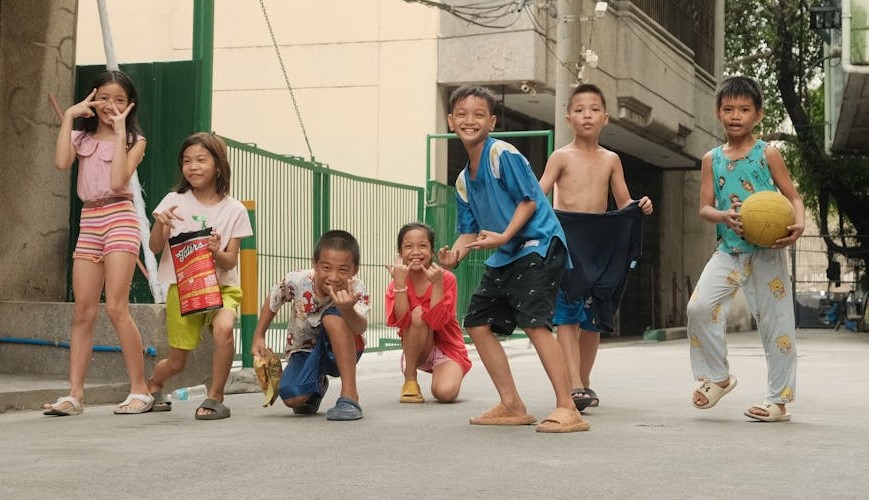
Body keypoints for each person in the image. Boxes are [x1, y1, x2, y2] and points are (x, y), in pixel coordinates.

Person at [437, 85, 589, 433]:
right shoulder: (463, 181)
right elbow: (470, 231)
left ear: (491, 121)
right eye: (462, 114)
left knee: (535, 324)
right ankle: (511, 404)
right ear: (450, 121)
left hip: (539, 245)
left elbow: (529, 200)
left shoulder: (501, 155)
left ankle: (568, 407)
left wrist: (505, 235)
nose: (469, 121)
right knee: (476, 322)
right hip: (507, 255)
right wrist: (453, 256)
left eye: (478, 115)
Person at [687, 76, 805, 422]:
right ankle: (719, 378)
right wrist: (723, 215)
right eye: (728, 109)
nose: (736, 115)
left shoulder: (767, 153)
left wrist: (798, 226)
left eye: (744, 109)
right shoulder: (711, 159)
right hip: (730, 248)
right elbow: (705, 207)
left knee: (776, 325)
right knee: (699, 307)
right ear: (718, 114)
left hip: (767, 251)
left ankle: (778, 402)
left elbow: (793, 197)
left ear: (758, 115)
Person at [539, 83, 654, 411]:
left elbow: (622, 202)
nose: (586, 115)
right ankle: (573, 383)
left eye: (593, 109)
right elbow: (539, 194)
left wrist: (640, 205)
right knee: (567, 316)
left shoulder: (611, 159)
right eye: (578, 110)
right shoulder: (560, 156)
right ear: (568, 117)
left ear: (605, 118)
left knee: (593, 318)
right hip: (567, 240)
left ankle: (583, 382)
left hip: (599, 244)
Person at [45, 70, 153, 416]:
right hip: (89, 220)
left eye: (119, 100)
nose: (110, 105)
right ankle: (74, 395)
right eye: (104, 97)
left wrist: (121, 130)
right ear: (93, 98)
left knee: (117, 307)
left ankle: (141, 389)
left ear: (130, 105)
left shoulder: (135, 140)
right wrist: (69, 118)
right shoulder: (80, 137)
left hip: (120, 217)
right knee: (82, 311)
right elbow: (62, 163)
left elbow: (119, 178)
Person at [146, 133, 253, 420]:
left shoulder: (236, 210)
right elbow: (156, 247)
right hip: (183, 290)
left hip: (222, 288)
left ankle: (216, 396)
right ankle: (154, 385)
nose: (192, 167)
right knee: (177, 362)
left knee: (224, 329)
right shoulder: (173, 201)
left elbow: (230, 262)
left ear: (218, 166)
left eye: (201, 160)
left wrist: (217, 252)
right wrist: (160, 224)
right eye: (186, 161)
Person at [251, 230, 370, 421]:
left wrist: (347, 310)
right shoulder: (297, 281)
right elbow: (274, 299)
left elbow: (360, 328)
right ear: (315, 265)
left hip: (343, 349)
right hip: (304, 349)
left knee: (333, 317)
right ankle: (316, 386)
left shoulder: (355, 289)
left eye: (342, 270)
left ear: (354, 270)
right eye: (326, 267)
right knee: (293, 397)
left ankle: (349, 396)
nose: (333, 276)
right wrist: (259, 335)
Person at [385, 222, 472, 404]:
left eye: (422, 246)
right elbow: (401, 321)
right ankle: (410, 379)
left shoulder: (446, 278)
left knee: (445, 394)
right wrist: (400, 286)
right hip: (417, 346)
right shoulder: (397, 281)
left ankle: (446, 371)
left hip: (447, 347)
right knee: (417, 314)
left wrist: (437, 285)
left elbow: (438, 323)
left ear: (432, 251)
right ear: (400, 253)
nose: (416, 252)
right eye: (408, 246)